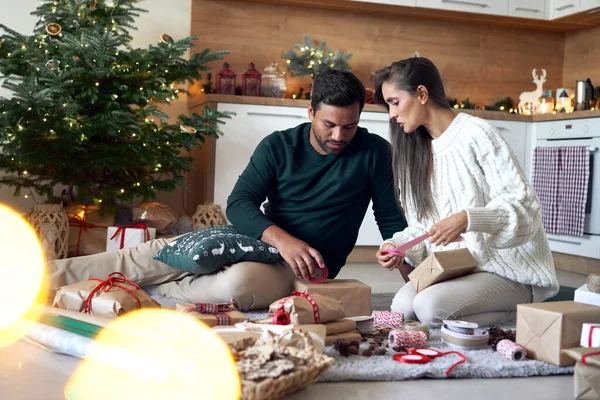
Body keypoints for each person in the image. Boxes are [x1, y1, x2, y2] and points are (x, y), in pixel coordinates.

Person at [49, 70, 407, 310]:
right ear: (310, 110)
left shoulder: (375, 152)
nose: (339, 136)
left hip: (300, 269)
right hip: (257, 239)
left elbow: (390, 217)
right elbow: (239, 203)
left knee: (238, 287)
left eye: (349, 126)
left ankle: (145, 292)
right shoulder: (278, 146)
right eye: (329, 125)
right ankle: (38, 279)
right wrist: (282, 239)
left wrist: (404, 263)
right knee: (150, 254)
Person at [372, 57, 559, 326]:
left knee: (428, 307)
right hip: (459, 266)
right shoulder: (417, 150)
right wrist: (397, 246)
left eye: (394, 102)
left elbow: (524, 208)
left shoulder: (478, 134)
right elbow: (425, 227)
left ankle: (524, 312)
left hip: (508, 269)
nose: (391, 114)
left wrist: (468, 219)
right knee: (402, 306)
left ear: (421, 94)